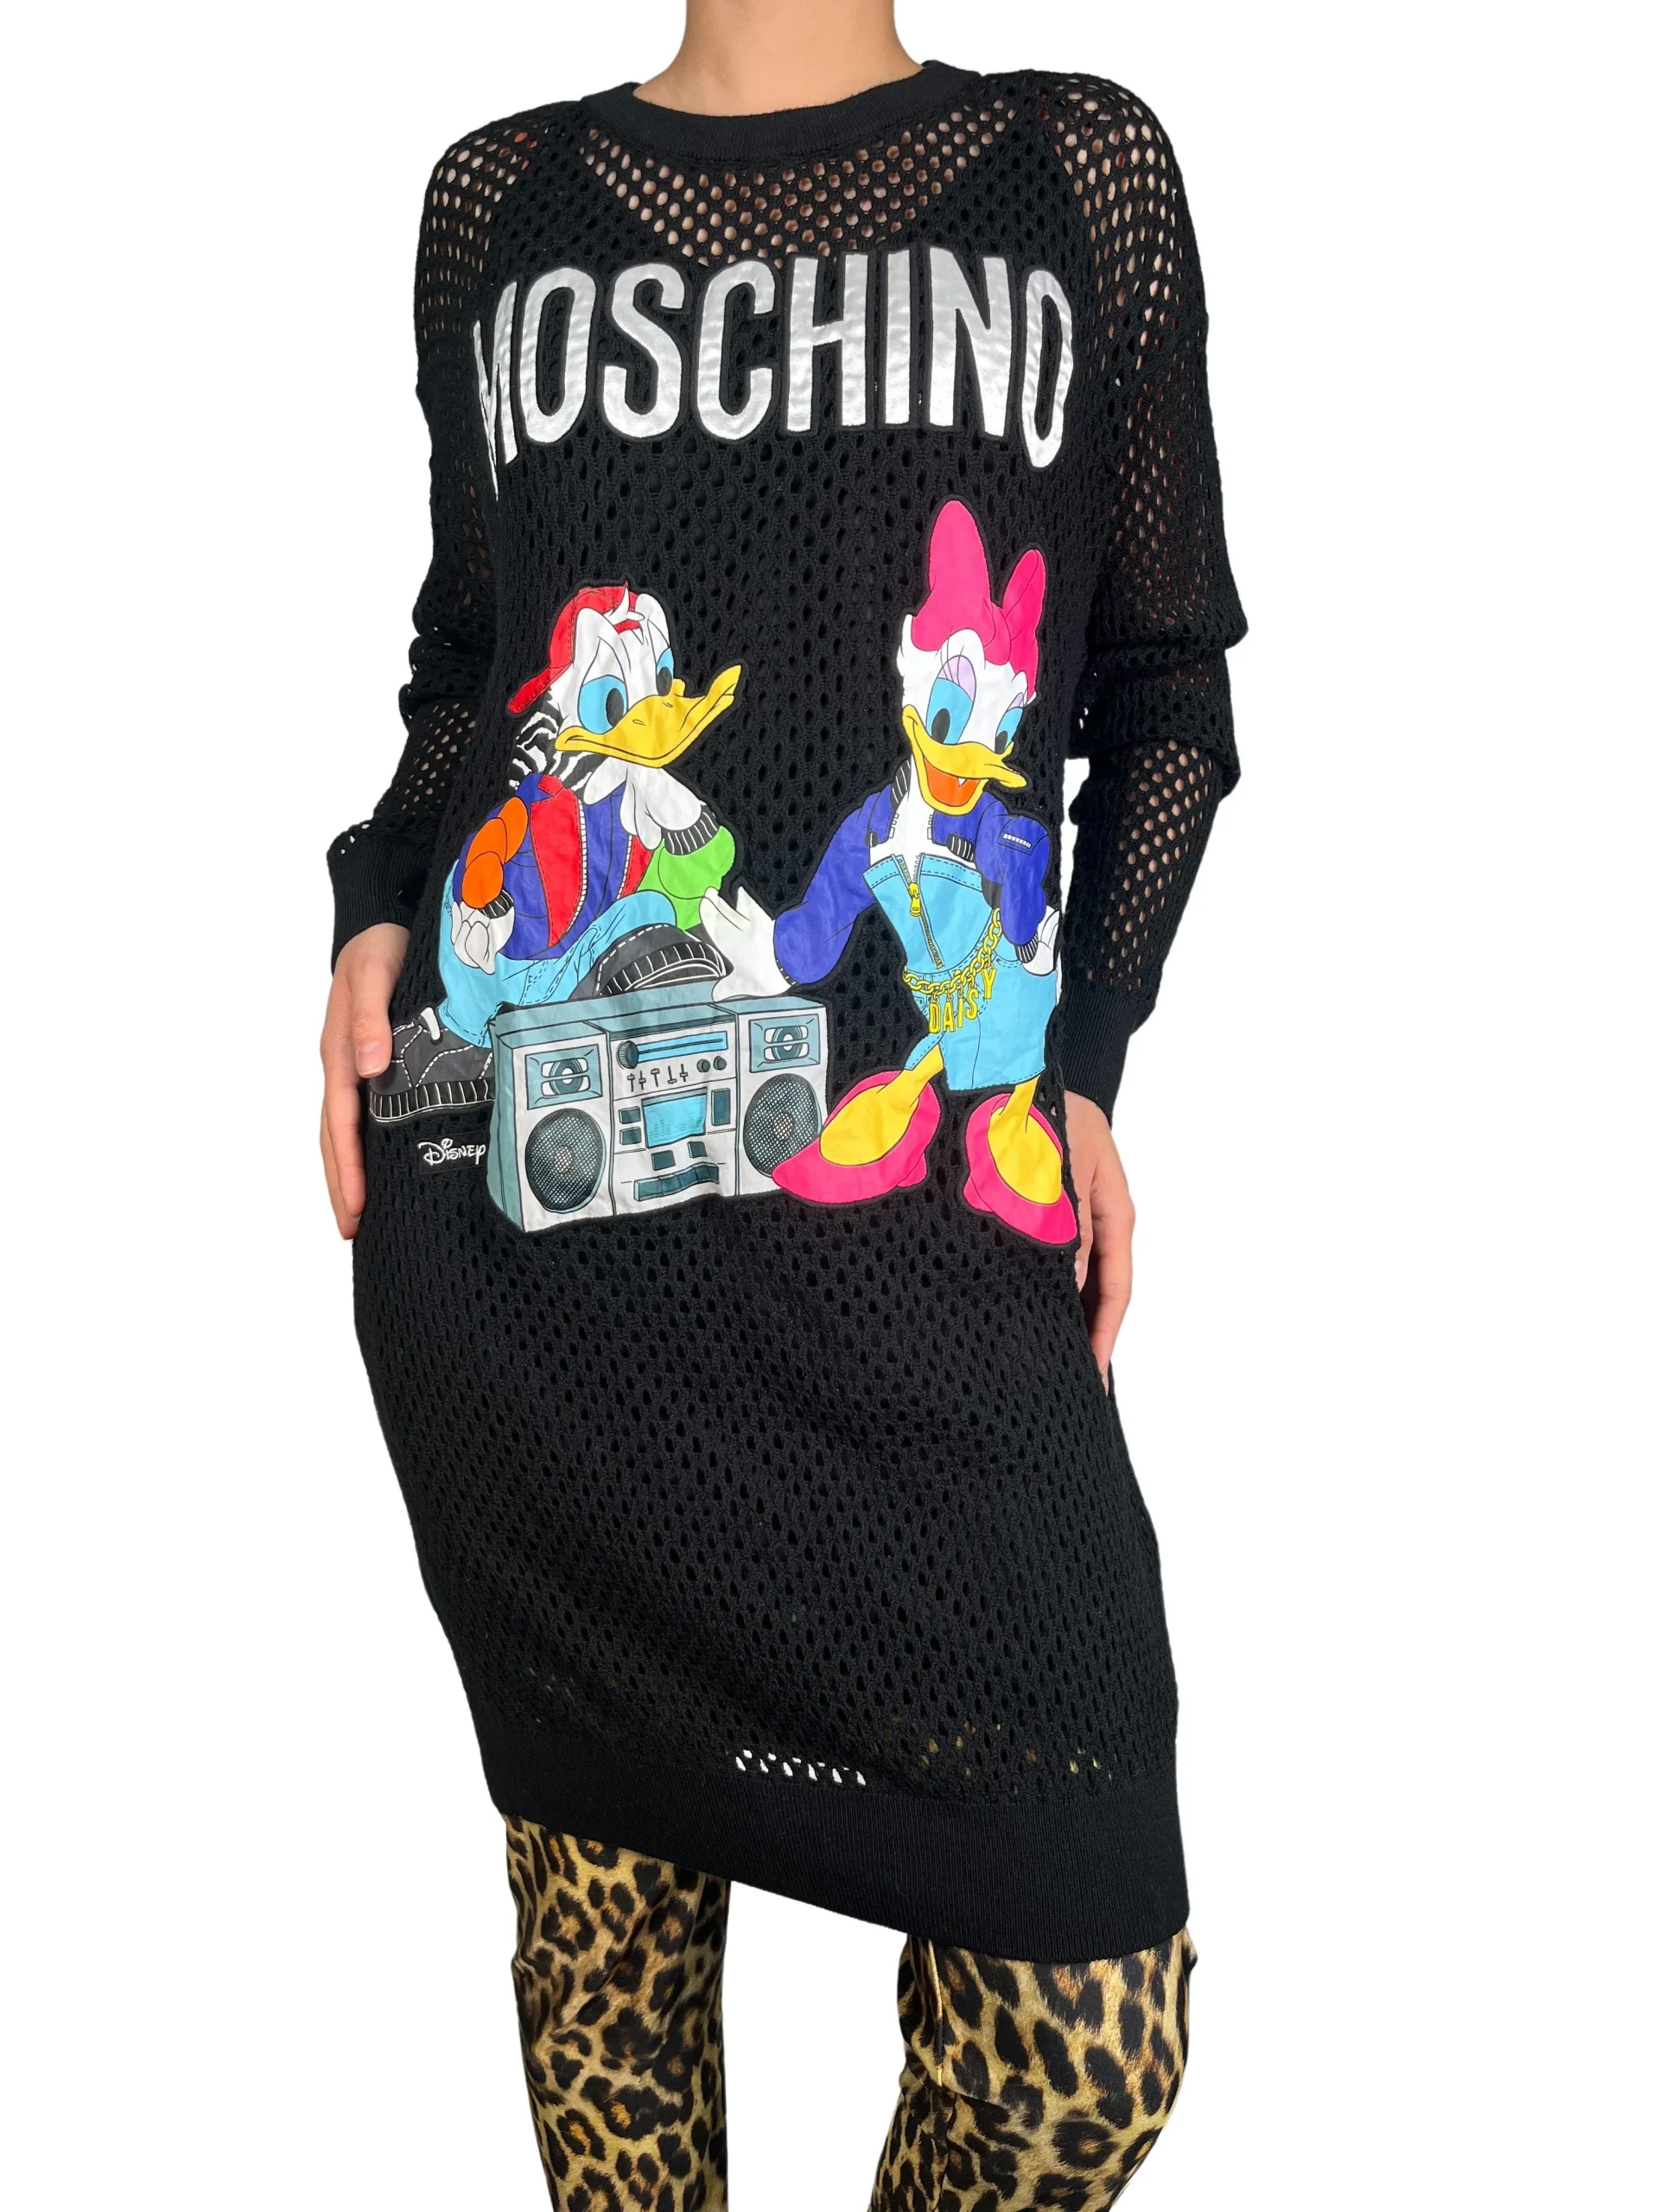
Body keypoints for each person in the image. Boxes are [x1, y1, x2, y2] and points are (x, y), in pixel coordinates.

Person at [320, 2, 1244, 2200]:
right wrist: (370, 906)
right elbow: (475, 669)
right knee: (610, 2013)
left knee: (1085, 2037)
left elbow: (1162, 692)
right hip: (537, 1260)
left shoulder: (1079, 174)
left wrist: (1083, 1054)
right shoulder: (495, 209)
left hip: (924, 1263)